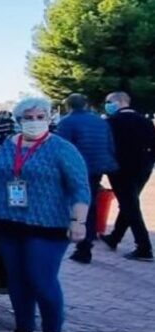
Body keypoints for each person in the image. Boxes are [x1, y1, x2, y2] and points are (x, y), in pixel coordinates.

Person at [0, 96, 90, 332]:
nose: (34, 122)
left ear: (49, 118)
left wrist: (79, 221)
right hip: (9, 222)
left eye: (39, 117)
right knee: (17, 280)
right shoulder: (4, 145)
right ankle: (23, 330)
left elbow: (80, 187)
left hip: (48, 225)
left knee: (41, 279)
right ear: (18, 120)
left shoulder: (62, 148)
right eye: (28, 118)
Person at [54, 93, 117, 264]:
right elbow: (110, 144)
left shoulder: (66, 122)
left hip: (77, 169)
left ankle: (81, 245)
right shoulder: (100, 121)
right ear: (86, 104)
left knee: (78, 204)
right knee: (91, 203)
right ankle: (87, 240)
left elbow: (60, 148)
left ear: (69, 106)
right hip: (98, 167)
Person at [100, 91, 155, 261]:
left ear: (120, 101)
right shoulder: (145, 121)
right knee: (129, 202)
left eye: (109, 101)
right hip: (144, 168)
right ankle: (115, 237)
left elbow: (107, 146)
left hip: (120, 169)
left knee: (130, 205)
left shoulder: (112, 122)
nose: (107, 105)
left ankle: (144, 246)